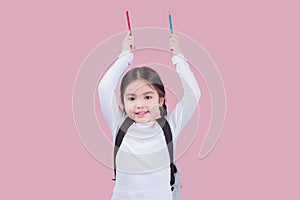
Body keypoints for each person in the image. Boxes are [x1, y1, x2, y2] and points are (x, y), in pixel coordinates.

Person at [98, 32, 201, 200]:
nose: (139, 105)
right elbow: (104, 88)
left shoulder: (169, 126)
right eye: (131, 98)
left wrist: (178, 57)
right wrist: (125, 55)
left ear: (160, 100)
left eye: (147, 97)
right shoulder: (119, 124)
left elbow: (194, 94)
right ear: (122, 102)